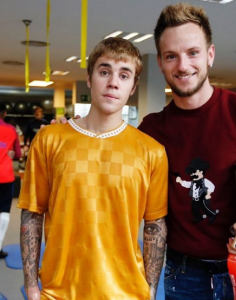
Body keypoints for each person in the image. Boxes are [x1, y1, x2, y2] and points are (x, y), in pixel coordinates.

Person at [137, 2, 236, 300]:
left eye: (193, 53)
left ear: (210, 55)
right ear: (160, 62)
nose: (183, 66)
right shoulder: (151, 130)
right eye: (171, 56)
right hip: (181, 271)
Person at [17, 37, 168, 300]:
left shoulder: (152, 151)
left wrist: (151, 290)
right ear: (89, 78)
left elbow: (155, 225)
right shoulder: (50, 139)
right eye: (104, 71)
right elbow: (32, 213)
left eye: (124, 75)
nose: (113, 82)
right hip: (59, 291)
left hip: (126, 292)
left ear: (133, 87)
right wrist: (31, 287)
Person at [0, 102, 21, 258]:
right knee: (4, 212)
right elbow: (18, 154)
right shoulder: (11, 130)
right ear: (4, 113)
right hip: (5, 175)